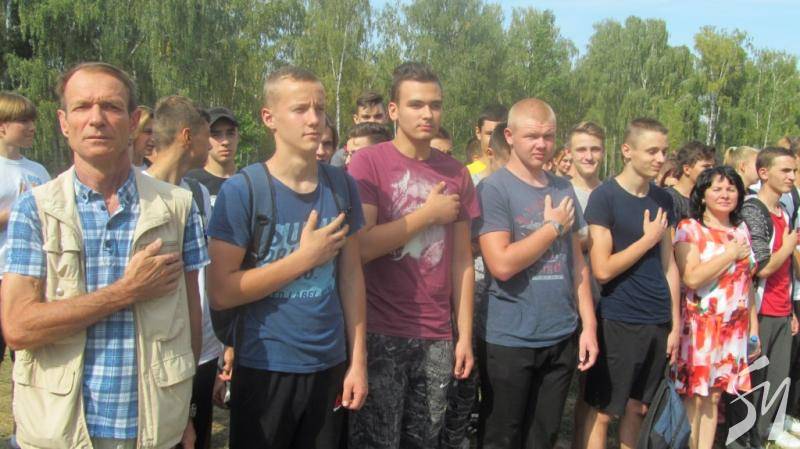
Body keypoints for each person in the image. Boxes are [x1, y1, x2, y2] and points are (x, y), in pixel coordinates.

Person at [1, 62, 207, 449]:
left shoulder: (177, 208)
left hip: (150, 430)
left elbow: (190, 321)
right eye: (82, 107)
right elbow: (18, 327)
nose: (96, 119)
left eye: (111, 107)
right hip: (59, 432)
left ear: (134, 122)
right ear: (64, 123)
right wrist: (126, 291)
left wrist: (184, 411)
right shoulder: (36, 210)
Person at [207, 66, 367, 449]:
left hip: (329, 364)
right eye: (300, 109)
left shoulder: (342, 187)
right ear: (269, 118)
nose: (314, 119)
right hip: (264, 366)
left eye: (320, 108)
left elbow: (351, 278)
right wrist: (304, 259)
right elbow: (222, 292)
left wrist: (358, 360)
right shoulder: (243, 191)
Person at [347, 62, 479, 449]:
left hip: (436, 333)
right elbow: (361, 248)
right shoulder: (368, 163)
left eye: (435, 105)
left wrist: (464, 335)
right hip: (380, 329)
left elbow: (462, 262)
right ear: (393, 110)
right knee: (376, 442)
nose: (427, 114)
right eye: (416, 104)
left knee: (425, 439)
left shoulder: (456, 173)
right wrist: (427, 215)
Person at [474, 99, 598, 449]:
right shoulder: (494, 189)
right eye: (532, 136)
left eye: (548, 136)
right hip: (509, 337)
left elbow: (577, 262)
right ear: (510, 136)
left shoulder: (562, 188)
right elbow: (501, 264)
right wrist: (551, 228)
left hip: (559, 333)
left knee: (543, 437)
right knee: (502, 437)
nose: (541, 145)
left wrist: (588, 325)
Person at [582, 118, 681, 449]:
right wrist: (647, 239)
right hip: (619, 318)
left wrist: (675, 323)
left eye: (663, 151)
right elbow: (602, 269)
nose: (660, 158)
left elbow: (669, 265)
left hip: (657, 319)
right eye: (652, 151)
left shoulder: (663, 199)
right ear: (627, 150)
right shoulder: (605, 197)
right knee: (604, 410)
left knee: (637, 408)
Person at [146, 95, 222, 449]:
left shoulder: (198, 193)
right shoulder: (140, 197)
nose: (213, 145)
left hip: (201, 346)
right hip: (159, 354)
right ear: (187, 136)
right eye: (208, 135)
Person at [673, 166, 757, 449]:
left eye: (731, 189)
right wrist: (730, 254)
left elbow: (747, 283)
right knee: (695, 396)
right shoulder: (690, 228)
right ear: (702, 194)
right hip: (700, 328)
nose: (725, 195)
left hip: (733, 330)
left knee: (715, 396)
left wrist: (753, 329)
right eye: (717, 189)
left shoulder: (741, 229)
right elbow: (691, 277)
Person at [440, 122, 511, 449]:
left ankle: (460, 435)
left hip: (481, 295)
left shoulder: (477, 187)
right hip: (449, 295)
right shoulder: (478, 185)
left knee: (470, 380)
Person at [726, 146, 800, 449]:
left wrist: (791, 310)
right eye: (785, 170)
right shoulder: (753, 210)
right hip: (759, 309)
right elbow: (761, 266)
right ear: (764, 173)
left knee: (778, 378)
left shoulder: (784, 211)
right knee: (752, 381)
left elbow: (785, 270)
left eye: (794, 171)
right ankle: (739, 440)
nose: (792, 176)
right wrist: (789, 245)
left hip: (782, 308)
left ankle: (762, 434)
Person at [0, 91, 50, 449]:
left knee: (28, 362)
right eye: (23, 121)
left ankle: (22, 434)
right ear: (2, 127)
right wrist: (19, 212)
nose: (31, 127)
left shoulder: (38, 171)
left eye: (32, 120)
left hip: (30, 278)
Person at [566, 121, 605, 449]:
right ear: (570, 153)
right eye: (582, 149)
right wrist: (595, 239)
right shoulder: (560, 191)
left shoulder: (611, 193)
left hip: (604, 299)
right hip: (565, 301)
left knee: (590, 391)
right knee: (556, 390)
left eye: (594, 149)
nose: (588, 156)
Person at [186, 106, 241, 206]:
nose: (225, 141)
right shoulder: (190, 183)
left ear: (238, 137)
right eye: (216, 134)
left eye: (230, 133)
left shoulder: (249, 181)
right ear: (205, 138)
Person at [330, 91, 389, 167]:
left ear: (386, 117)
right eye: (366, 117)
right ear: (356, 119)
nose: (372, 121)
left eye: (378, 116)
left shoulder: (397, 152)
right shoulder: (342, 158)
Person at [665, 141, 716, 221]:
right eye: (706, 167)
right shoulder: (669, 198)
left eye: (713, 166)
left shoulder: (707, 199)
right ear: (687, 169)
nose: (712, 171)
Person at [467, 104, 508, 177]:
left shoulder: (522, 173)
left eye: (500, 134)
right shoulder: (466, 176)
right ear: (478, 133)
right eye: (490, 133)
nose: (495, 139)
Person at [130, 105, 154, 169]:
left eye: (156, 133)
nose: (153, 139)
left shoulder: (154, 171)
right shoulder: (115, 170)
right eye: (148, 132)